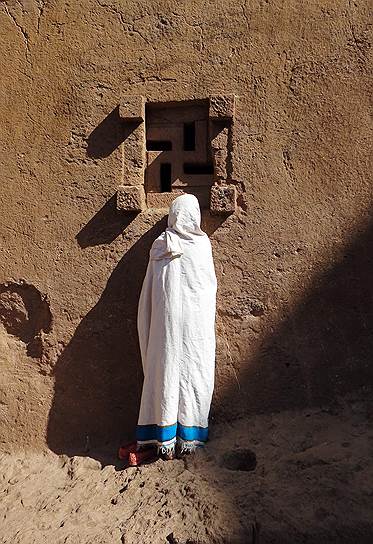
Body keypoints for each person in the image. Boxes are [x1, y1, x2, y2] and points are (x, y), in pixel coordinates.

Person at [121, 194, 217, 466]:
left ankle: (162, 437)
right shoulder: (201, 245)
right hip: (195, 326)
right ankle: (188, 437)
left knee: (165, 371)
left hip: (166, 326)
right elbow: (206, 288)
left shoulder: (162, 244)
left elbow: (152, 291)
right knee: (193, 372)